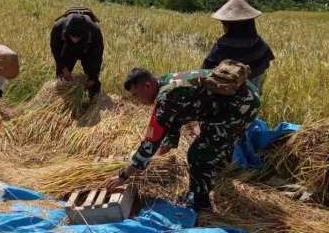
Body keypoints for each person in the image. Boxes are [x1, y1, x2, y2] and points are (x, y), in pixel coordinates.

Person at [103, 65, 260, 212]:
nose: (138, 100)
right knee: (210, 142)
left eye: (136, 95)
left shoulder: (166, 98)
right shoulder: (165, 82)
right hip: (242, 93)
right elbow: (176, 118)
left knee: (198, 153)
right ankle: (213, 169)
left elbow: (150, 142)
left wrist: (123, 176)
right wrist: (166, 148)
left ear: (148, 86)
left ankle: (201, 204)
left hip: (241, 105)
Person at [203, 0, 275, 93]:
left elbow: (205, 70)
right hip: (253, 95)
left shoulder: (221, 45)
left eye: (224, 24)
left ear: (229, 25)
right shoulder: (259, 42)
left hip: (227, 94)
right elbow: (265, 65)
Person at [49, 8, 103, 98]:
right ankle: (62, 101)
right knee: (62, 77)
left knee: (93, 81)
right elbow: (56, 50)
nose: (75, 40)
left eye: (78, 37)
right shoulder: (58, 27)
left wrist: (93, 77)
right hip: (67, 49)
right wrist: (63, 68)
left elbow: (97, 55)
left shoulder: (94, 30)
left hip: (87, 50)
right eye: (72, 36)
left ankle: (94, 102)